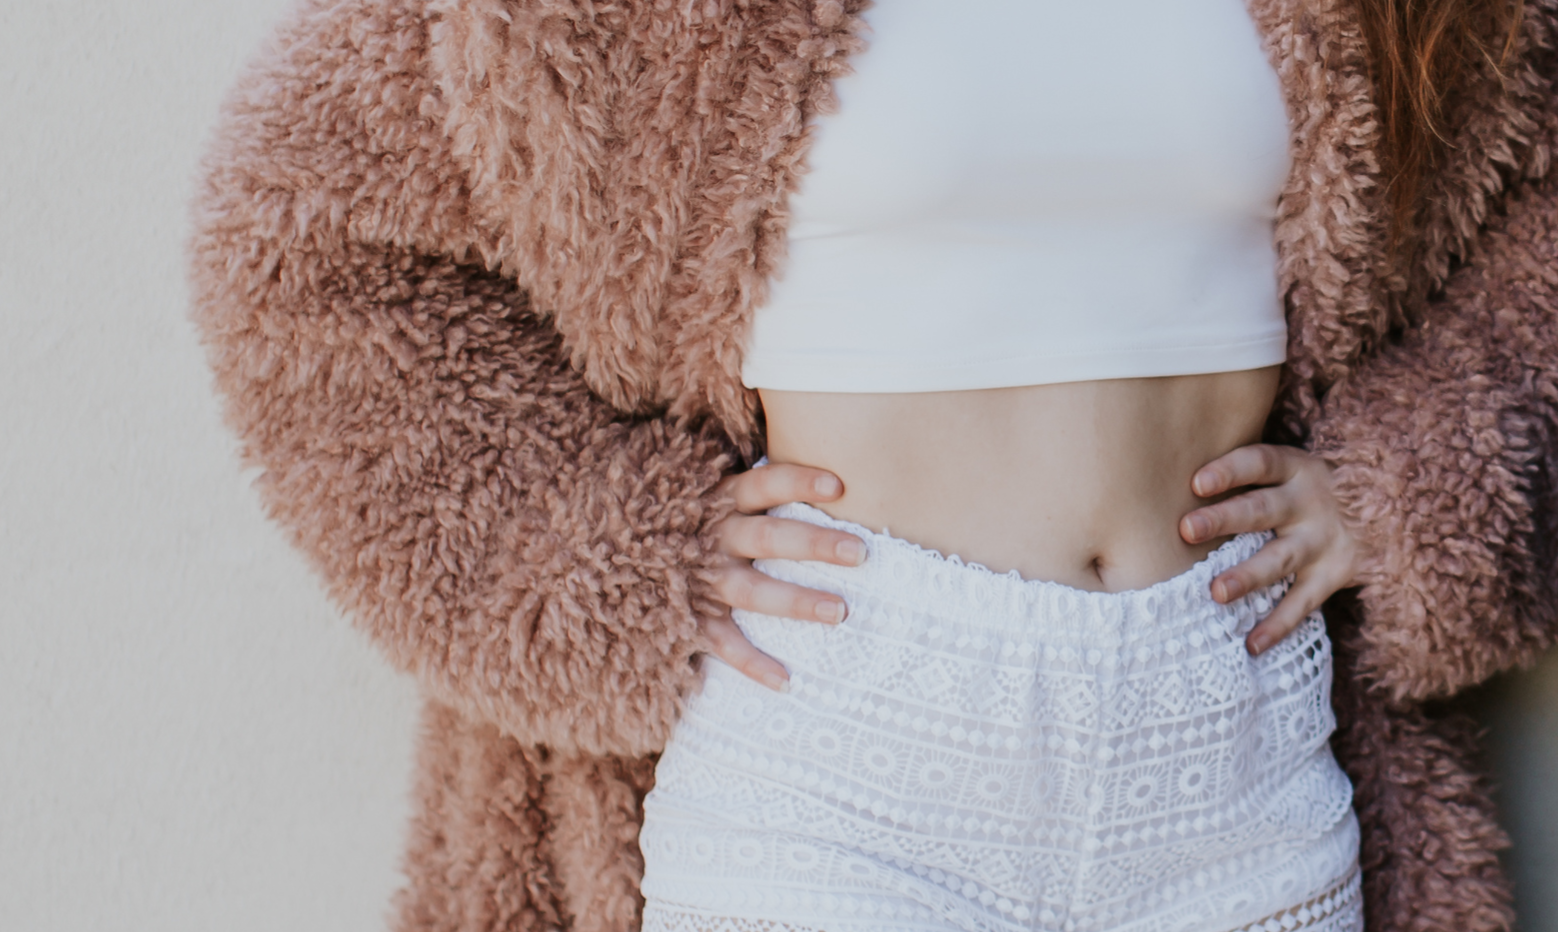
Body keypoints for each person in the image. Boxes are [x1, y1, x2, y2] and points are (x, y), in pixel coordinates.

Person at [188, 0, 1557, 930]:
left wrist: (1413, 486)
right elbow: (295, 228)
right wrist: (599, 552)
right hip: (849, 747)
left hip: (1232, 742)